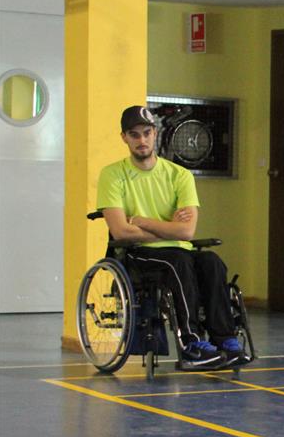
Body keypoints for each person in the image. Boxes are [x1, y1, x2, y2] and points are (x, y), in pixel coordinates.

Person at [96, 105, 245, 368]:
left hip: (178, 249)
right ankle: (191, 343)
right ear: (124, 138)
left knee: (211, 261)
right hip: (137, 254)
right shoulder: (112, 175)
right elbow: (121, 231)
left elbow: (186, 232)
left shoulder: (180, 175)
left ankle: (225, 340)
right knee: (178, 262)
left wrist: (142, 222)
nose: (141, 140)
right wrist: (167, 227)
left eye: (146, 133)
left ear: (155, 133)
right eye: (134, 135)